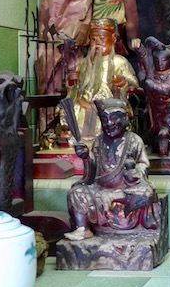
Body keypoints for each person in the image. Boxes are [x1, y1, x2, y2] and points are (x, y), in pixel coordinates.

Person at [64, 98, 161, 240]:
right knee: (76, 192)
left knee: (145, 193)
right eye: (104, 120)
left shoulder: (134, 140)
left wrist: (134, 173)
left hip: (124, 189)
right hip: (101, 189)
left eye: (114, 118)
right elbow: (93, 172)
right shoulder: (99, 141)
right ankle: (83, 229)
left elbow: (143, 164)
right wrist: (86, 157)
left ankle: (119, 209)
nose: (109, 123)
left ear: (125, 119)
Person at [62, 18, 139, 141]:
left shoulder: (119, 62)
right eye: (93, 39)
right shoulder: (84, 63)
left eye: (102, 39)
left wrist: (122, 83)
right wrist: (72, 83)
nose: (97, 43)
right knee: (70, 109)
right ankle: (76, 140)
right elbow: (75, 89)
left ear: (113, 39)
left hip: (108, 106)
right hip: (84, 104)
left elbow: (133, 84)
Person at [134, 36, 170, 156]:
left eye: (163, 60)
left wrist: (151, 85)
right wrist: (139, 47)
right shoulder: (151, 72)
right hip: (155, 106)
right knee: (150, 122)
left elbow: (166, 89)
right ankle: (156, 143)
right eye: (157, 60)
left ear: (169, 60)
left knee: (169, 123)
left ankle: (166, 137)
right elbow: (144, 58)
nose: (160, 63)